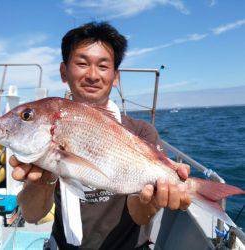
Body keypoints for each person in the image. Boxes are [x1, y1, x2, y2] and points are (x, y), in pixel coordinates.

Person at [10, 22, 191, 249]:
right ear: (64, 72)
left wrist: (152, 200)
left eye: (103, 66)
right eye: (82, 63)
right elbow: (32, 215)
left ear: (115, 77)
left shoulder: (142, 132)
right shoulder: (46, 136)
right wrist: (44, 178)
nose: (93, 75)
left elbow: (140, 216)